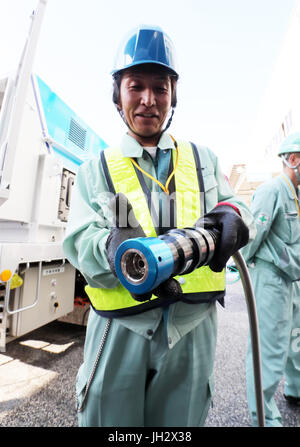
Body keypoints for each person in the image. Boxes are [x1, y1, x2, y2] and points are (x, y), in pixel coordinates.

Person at [63, 25, 255, 427]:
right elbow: (80, 240)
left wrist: (234, 217)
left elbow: (233, 204)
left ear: (173, 96)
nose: (149, 100)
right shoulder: (95, 169)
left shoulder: (203, 159)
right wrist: (113, 248)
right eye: (136, 86)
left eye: (161, 87)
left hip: (192, 328)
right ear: (118, 95)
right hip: (121, 330)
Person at [242, 132, 300, 427]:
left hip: (289, 280)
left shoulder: (295, 193)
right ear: (293, 159)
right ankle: (263, 418)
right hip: (271, 279)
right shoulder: (272, 191)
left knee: (293, 338)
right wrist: (251, 273)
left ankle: (296, 388)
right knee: (268, 349)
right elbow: (251, 237)